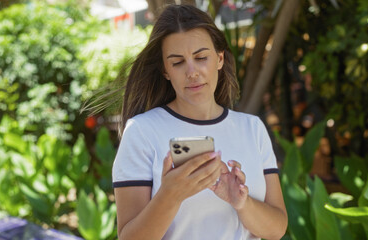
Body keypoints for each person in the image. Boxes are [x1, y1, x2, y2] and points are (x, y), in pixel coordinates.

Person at [112, 4, 287, 240]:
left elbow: (276, 230)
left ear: (219, 59)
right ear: (165, 71)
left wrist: (242, 202)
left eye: (201, 57)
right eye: (177, 62)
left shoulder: (252, 129)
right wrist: (170, 195)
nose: (192, 71)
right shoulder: (142, 131)